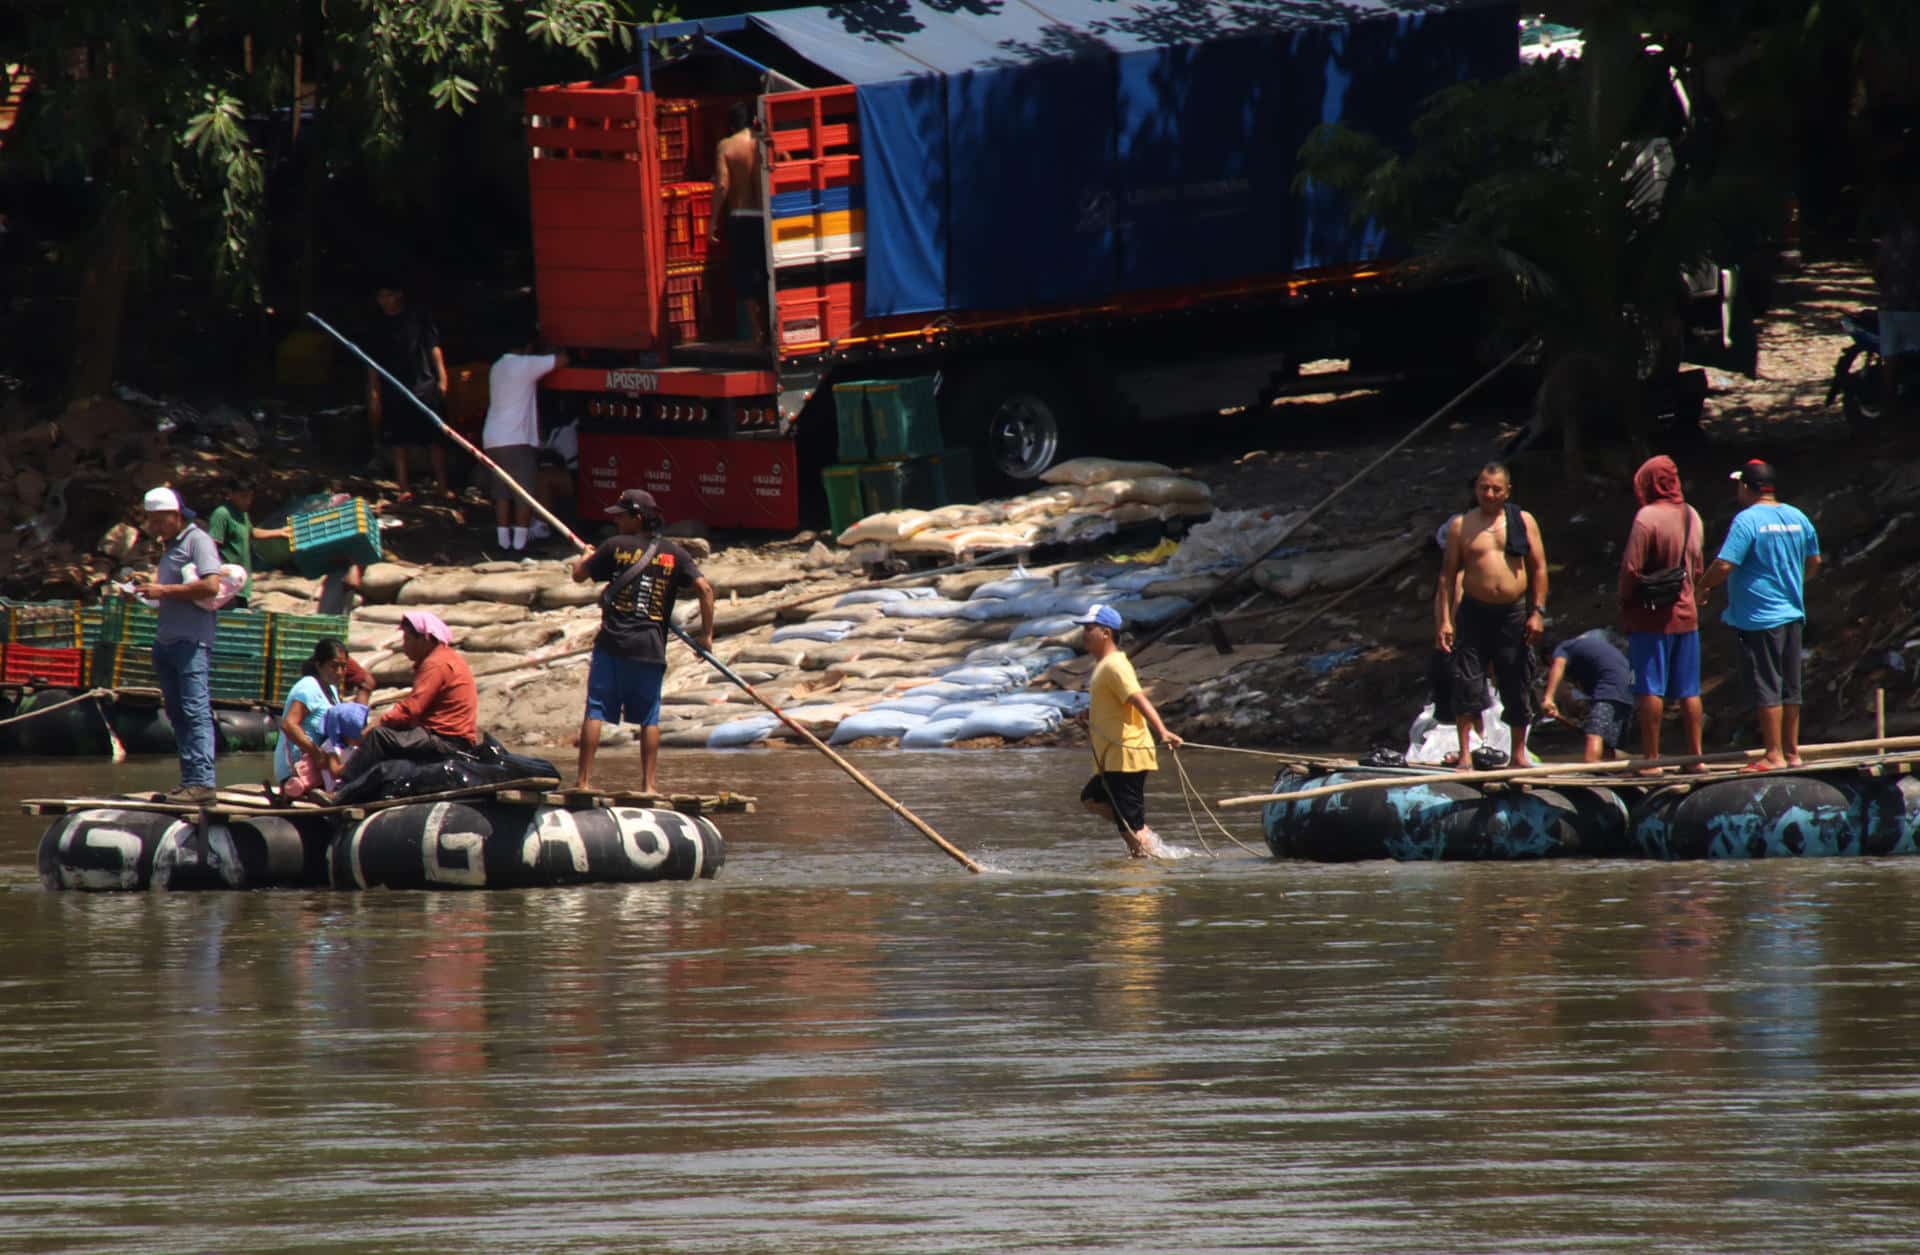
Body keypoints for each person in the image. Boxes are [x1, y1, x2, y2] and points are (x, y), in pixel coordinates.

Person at [571, 488, 716, 793]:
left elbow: (579, 575)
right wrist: (707, 635)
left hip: (612, 644)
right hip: (650, 647)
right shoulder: (674, 553)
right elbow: (705, 589)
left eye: (621, 516)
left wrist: (586, 556)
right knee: (650, 717)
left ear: (638, 517)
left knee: (596, 709)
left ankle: (583, 783)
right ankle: (649, 786)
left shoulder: (614, 546)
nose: (616, 521)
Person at [1701, 459, 1822, 772]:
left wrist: (1701, 586)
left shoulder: (1747, 520)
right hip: (1792, 612)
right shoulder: (1797, 516)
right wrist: (1795, 582)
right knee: (1790, 685)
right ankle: (1792, 752)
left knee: (1767, 684)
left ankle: (1773, 754)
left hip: (1760, 617)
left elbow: (1725, 564)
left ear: (1746, 487)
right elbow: (1815, 561)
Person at [1436, 462, 1548, 771]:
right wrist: (1445, 619)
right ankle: (1465, 754)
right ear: (1476, 489)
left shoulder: (1523, 522)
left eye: (1496, 488)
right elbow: (1447, 577)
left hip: (1512, 615)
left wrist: (1537, 612)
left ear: (1507, 491)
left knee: (1517, 681)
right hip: (1473, 613)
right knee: (1467, 682)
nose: (1489, 493)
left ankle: (1519, 754)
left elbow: (1539, 568)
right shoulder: (1462, 525)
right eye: (1484, 487)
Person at [313, 611, 480, 803]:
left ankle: (341, 782)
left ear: (424, 639)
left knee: (379, 736)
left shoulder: (436, 664)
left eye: (408, 639)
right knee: (390, 755)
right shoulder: (446, 659)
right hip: (438, 735)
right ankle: (353, 789)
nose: (404, 645)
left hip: (443, 739)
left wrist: (378, 722)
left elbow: (411, 709)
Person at [134, 486, 223, 803]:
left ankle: (203, 783)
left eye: (160, 520)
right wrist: (145, 590)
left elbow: (212, 586)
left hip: (191, 641)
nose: (155, 527)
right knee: (177, 713)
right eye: (152, 521)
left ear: (176, 515)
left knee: (195, 710)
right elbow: (168, 591)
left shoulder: (198, 540)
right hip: (166, 641)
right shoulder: (170, 547)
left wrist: (164, 591)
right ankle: (190, 781)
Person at [1618, 454, 1707, 770]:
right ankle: (1696, 757)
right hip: (1687, 615)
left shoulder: (1647, 518)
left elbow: (1631, 568)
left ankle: (1652, 759)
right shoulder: (1692, 515)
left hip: (1651, 615)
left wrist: (1625, 601)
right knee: (1689, 690)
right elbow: (1696, 567)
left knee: (1649, 687)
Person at [1075, 604, 1183, 858]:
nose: (1084, 634)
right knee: (1091, 798)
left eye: (1089, 629)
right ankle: (1144, 836)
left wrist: (1162, 731)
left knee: (1128, 823)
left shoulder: (1115, 665)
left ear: (1106, 633)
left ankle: (1147, 859)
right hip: (1112, 757)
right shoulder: (1104, 666)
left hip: (1127, 755)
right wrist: (1089, 717)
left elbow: (1138, 699)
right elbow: (1115, 705)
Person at [366, 283, 451, 500]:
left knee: (435, 438)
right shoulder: (377, 326)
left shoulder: (418, 317)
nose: (384, 301)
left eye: (388, 295)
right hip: (394, 387)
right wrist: (374, 392)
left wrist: (442, 377)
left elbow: (434, 346)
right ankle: (403, 488)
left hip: (423, 383)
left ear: (399, 294)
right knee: (398, 440)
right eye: (380, 296)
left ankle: (442, 486)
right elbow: (371, 361)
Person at [481, 341, 567, 552]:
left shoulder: (497, 366)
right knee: (524, 493)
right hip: (515, 438)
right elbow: (563, 360)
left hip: (492, 438)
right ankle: (520, 544)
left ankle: (503, 542)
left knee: (501, 491)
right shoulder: (524, 364)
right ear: (528, 347)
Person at [709, 102, 767, 343]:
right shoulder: (763, 141)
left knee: (745, 276)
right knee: (766, 273)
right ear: (753, 120)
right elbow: (785, 159)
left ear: (731, 123)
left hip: (741, 217)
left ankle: (756, 331)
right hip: (766, 215)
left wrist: (713, 221)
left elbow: (722, 185)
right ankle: (771, 325)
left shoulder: (726, 146)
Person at [1541, 630, 1635, 763]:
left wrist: (1548, 698)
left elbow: (1558, 665)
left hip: (1610, 687)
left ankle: (1592, 763)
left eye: (1549, 663)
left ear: (1550, 655)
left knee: (1594, 733)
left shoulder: (1563, 648)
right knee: (1609, 742)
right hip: (1628, 691)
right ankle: (1608, 770)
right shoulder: (1584, 650)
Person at [272, 638, 344, 790]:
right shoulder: (308, 686)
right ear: (319, 665)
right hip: (298, 768)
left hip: (320, 764)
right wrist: (316, 754)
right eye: (334, 666)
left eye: (343, 666)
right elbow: (289, 725)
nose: (339, 672)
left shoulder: (332, 690)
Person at [205, 481, 289, 610]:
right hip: (227, 583)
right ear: (231, 494)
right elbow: (210, 545)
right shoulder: (222, 514)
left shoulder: (242, 513)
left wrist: (279, 532)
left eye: (250, 496)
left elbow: (252, 532)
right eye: (243, 496)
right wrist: (217, 570)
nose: (248, 501)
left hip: (241, 583)